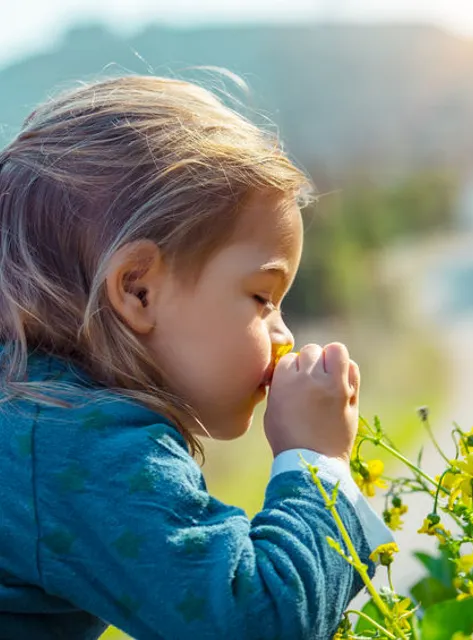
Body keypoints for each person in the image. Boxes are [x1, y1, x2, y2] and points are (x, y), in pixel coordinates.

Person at [0, 75, 393, 639]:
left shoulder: (28, 413)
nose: (284, 335)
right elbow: (255, 621)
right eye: (262, 297)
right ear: (138, 290)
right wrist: (316, 462)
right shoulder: (77, 443)